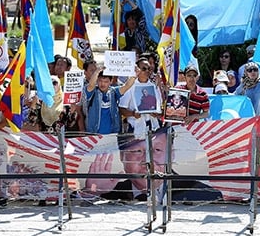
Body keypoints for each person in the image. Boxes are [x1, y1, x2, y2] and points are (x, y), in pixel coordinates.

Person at [85, 129, 221, 202]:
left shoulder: (202, 193)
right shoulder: (108, 192)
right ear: (122, 156)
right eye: (138, 151)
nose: (148, 160)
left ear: (171, 153)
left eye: (157, 150)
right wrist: (90, 192)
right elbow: (76, 205)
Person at [84, 65, 137, 134]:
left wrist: (134, 75)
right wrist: (97, 72)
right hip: (94, 134)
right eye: (100, 81)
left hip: (112, 134)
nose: (102, 84)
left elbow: (126, 86)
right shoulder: (92, 92)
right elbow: (91, 85)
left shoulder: (114, 92)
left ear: (111, 81)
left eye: (106, 82)